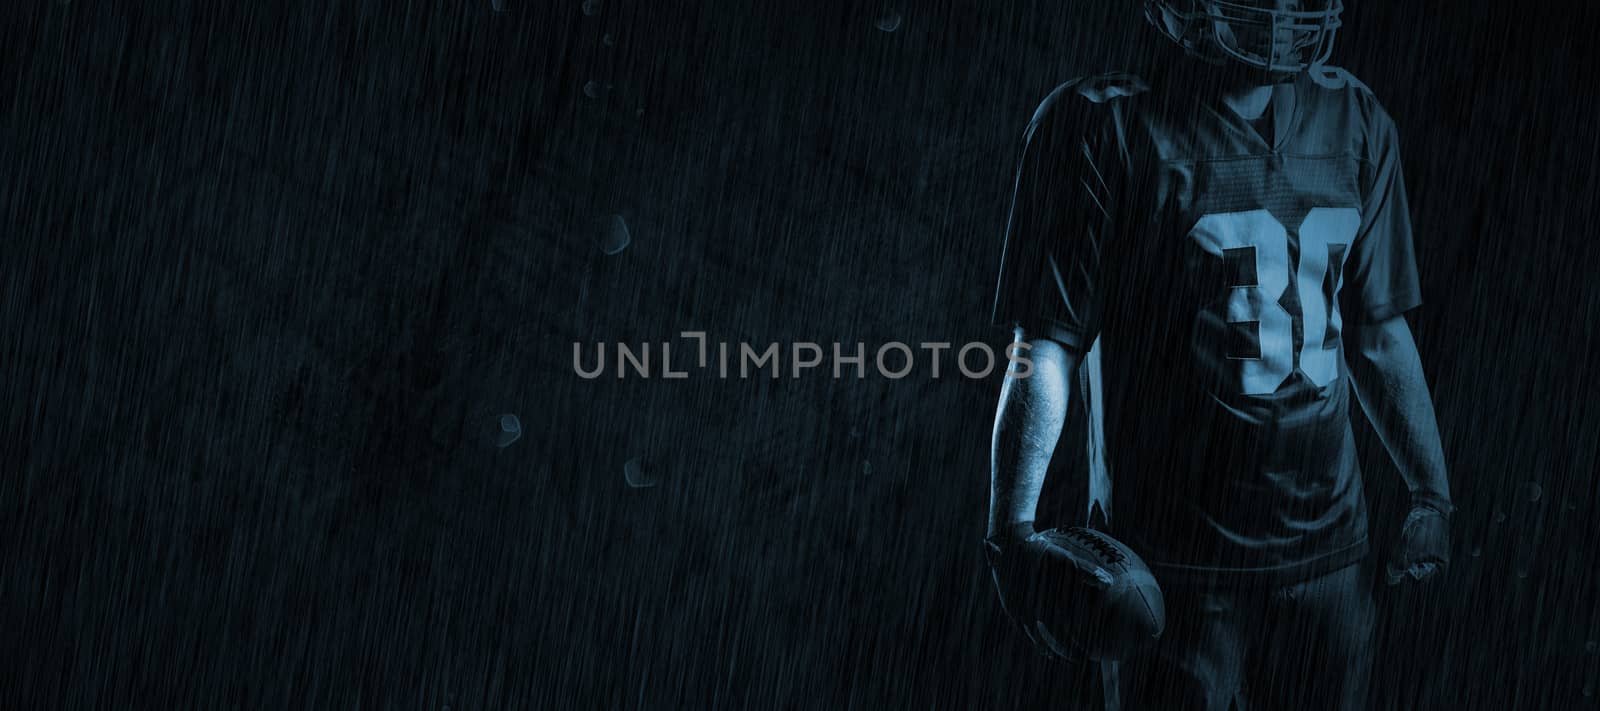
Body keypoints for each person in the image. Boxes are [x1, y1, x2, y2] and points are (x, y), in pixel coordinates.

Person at [984, 1, 1454, 709]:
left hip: (1329, 555)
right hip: (1172, 563)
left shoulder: (1354, 115)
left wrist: (1430, 491)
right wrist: (1009, 529)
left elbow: (1376, 333)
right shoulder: (1099, 122)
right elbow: (1045, 346)